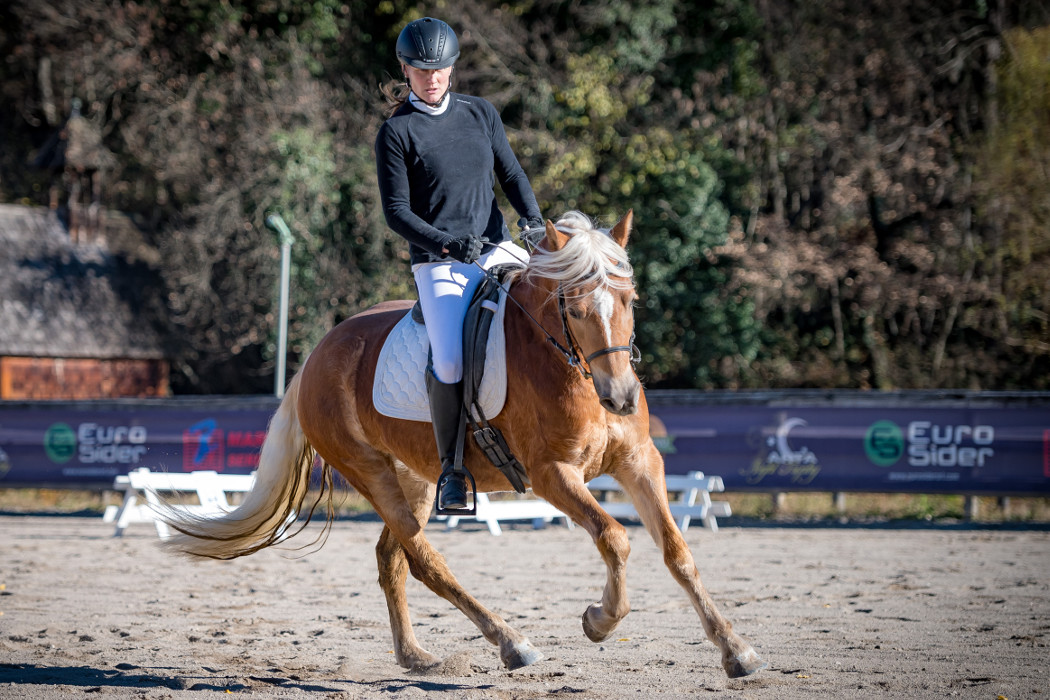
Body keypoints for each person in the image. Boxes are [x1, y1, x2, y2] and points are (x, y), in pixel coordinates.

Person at [375, 17, 543, 511]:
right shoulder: (396, 132)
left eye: (440, 69)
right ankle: (452, 468)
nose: (432, 79)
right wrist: (447, 245)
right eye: (422, 70)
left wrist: (532, 220)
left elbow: (510, 173)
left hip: (497, 247)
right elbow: (397, 214)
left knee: (549, 308)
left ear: (452, 68)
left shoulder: (480, 113)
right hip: (440, 263)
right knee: (448, 358)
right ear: (406, 70)